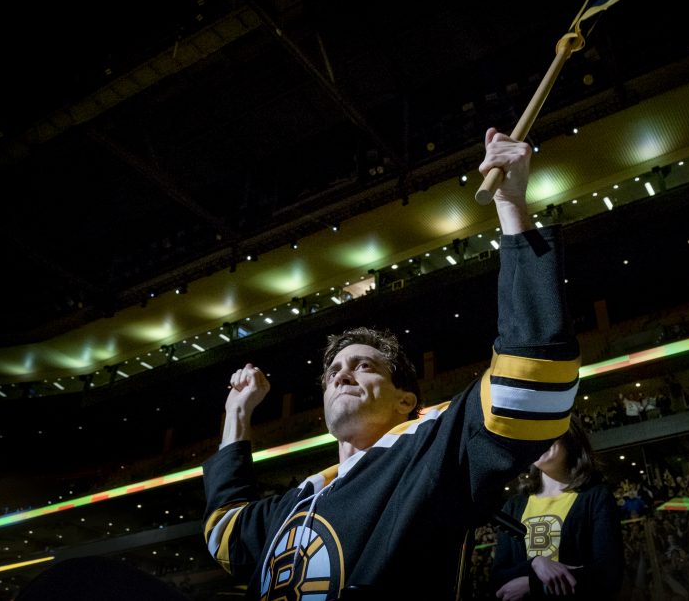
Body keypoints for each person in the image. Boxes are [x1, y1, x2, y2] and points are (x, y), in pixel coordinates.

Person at [201, 127, 582, 600]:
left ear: (406, 400)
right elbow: (225, 533)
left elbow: (533, 382)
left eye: (363, 365)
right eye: (333, 371)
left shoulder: (425, 452)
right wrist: (237, 414)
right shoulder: (298, 500)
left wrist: (511, 205)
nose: (341, 373)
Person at [490, 412, 624, 601]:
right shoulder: (513, 506)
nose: (538, 440)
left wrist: (534, 585)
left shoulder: (596, 497)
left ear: (570, 438)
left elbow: (609, 575)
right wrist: (536, 564)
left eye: (546, 431)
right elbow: (498, 579)